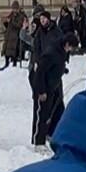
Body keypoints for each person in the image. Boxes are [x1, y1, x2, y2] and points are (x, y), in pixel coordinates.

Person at [29, 13, 71, 146]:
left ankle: (54, 132)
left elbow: (62, 51)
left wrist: (61, 66)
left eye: (44, 19)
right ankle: (39, 137)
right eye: (40, 19)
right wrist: (36, 61)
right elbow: (36, 49)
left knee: (57, 103)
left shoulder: (56, 32)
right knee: (43, 106)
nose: (42, 21)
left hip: (54, 73)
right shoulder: (39, 33)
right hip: (43, 71)